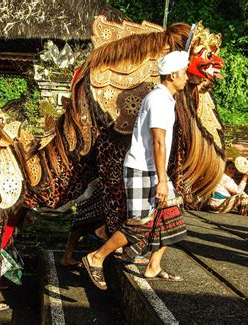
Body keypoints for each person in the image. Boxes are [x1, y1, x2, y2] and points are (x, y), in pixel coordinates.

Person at [82, 51, 189, 289]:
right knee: (138, 225)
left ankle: (153, 266)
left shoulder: (165, 98)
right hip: (143, 169)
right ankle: (96, 257)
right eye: (183, 73)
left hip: (152, 169)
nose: (186, 78)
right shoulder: (159, 100)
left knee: (172, 217)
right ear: (172, 75)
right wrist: (162, 180)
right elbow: (158, 141)